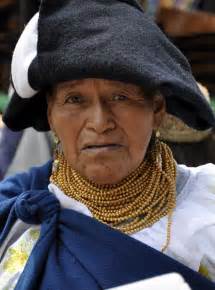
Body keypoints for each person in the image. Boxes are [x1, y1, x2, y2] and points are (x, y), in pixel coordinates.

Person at [0, 1, 215, 289]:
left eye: (120, 97)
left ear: (157, 109)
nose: (100, 122)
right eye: (75, 99)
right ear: (50, 114)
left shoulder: (207, 211)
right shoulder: (22, 227)